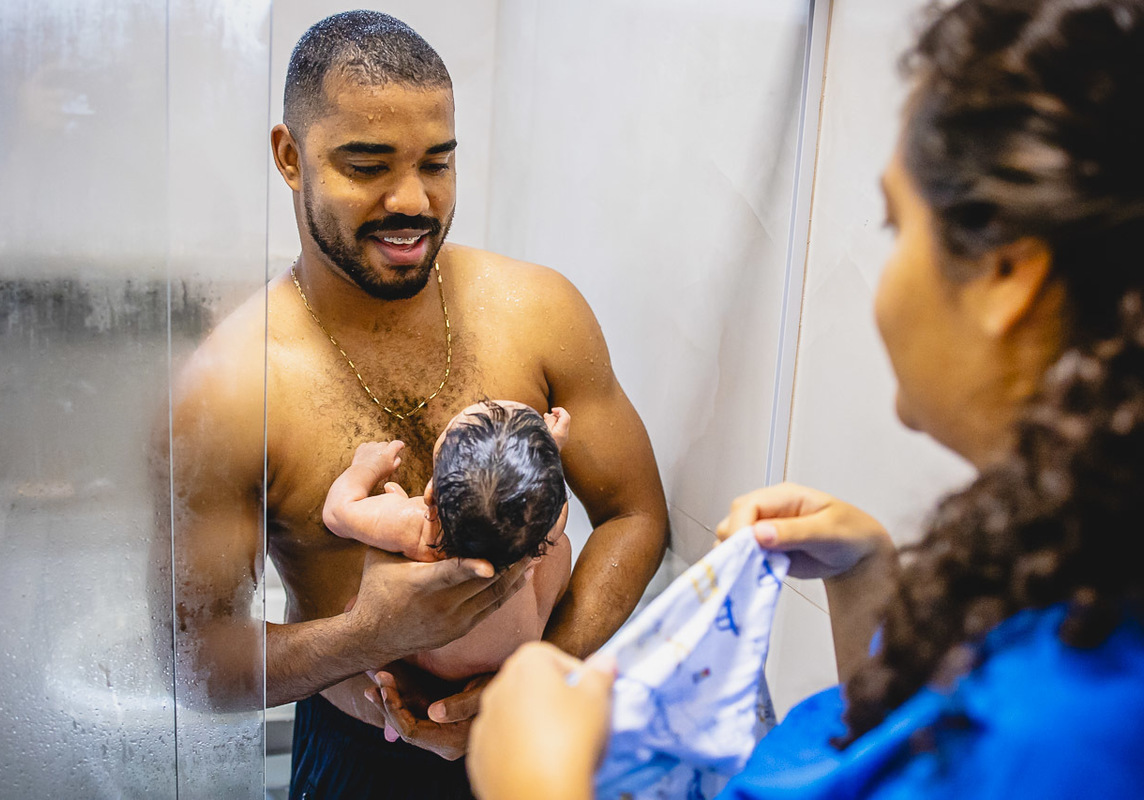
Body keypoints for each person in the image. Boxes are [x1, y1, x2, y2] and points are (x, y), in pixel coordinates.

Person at [466, 1, 1144, 797]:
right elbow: (906, 762)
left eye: (897, 225)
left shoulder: (1060, 739)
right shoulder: (1082, 570)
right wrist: (868, 584)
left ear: (1005, 275)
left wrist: (536, 783)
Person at [163, 8, 669, 799]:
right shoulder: (229, 389)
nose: (414, 201)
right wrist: (363, 637)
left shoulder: (539, 310)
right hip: (363, 762)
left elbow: (637, 516)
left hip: (546, 731)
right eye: (367, 166)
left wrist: (539, 670)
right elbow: (195, 662)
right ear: (290, 158)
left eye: (438, 162)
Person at [321, 401, 572, 684]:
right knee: (558, 546)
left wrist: (366, 466)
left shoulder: (416, 526)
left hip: (444, 663)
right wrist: (546, 451)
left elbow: (337, 513)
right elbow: (540, 495)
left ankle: (395, 683)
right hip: (518, 644)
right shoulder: (542, 522)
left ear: (431, 496)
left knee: (354, 610)